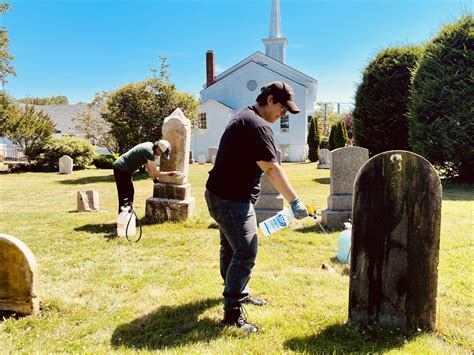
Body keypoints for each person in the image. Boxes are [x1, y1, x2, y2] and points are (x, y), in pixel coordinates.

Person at [205, 81, 309, 334]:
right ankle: (232, 315)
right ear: (271, 99)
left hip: (224, 195)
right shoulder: (257, 125)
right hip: (231, 199)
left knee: (231, 249)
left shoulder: (246, 116)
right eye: (282, 109)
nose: (282, 115)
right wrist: (295, 201)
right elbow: (271, 169)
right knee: (246, 251)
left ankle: (237, 293)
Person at [113, 140, 182, 213]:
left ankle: (128, 215)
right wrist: (171, 173)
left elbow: (149, 168)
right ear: (158, 149)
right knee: (125, 194)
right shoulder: (149, 151)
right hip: (121, 168)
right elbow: (155, 172)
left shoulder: (149, 146)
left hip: (125, 170)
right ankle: (124, 217)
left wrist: (154, 180)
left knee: (130, 192)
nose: (160, 156)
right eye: (161, 153)